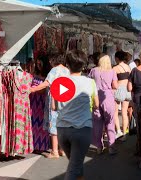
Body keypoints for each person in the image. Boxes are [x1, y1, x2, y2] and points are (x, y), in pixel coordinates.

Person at [54, 50, 99, 180]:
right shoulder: (90, 82)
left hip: (62, 130)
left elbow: (54, 107)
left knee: (76, 164)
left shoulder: (60, 82)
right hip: (82, 129)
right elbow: (96, 104)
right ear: (84, 65)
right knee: (74, 167)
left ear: (67, 64)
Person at [30, 54, 70, 158]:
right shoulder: (67, 70)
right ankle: (62, 150)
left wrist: (33, 89)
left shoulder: (54, 70)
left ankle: (54, 151)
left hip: (54, 100)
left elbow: (47, 83)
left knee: (54, 125)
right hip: (65, 100)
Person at [88, 55, 118, 155]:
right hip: (108, 97)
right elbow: (115, 86)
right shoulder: (112, 71)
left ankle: (99, 147)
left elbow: (89, 82)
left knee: (97, 123)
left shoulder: (93, 70)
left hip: (95, 97)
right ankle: (111, 147)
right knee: (110, 122)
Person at [30, 56, 51, 153]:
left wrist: (34, 89)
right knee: (33, 123)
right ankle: (33, 144)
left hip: (42, 102)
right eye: (37, 64)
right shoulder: (35, 73)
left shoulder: (48, 75)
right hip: (33, 102)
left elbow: (44, 90)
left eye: (40, 64)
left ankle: (42, 145)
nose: (38, 66)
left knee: (42, 124)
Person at [113, 51, 132, 141]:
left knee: (115, 112)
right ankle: (124, 133)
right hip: (127, 90)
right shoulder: (128, 67)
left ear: (117, 58)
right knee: (124, 112)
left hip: (119, 90)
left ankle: (118, 131)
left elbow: (113, 81)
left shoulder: (115, 68)